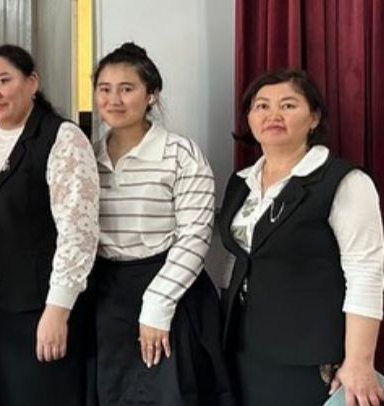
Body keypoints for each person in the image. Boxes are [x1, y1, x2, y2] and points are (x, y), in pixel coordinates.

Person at [220, 69, 384, 406]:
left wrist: (359, 361)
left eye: (288, 105)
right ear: (249, 118)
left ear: (314, 117)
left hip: (308, 356)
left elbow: (366, 273)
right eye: (262, 106)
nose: (273, 115)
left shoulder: (344, 181)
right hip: (242, 346)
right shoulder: (241, 183)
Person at [0, 44, 99, 406]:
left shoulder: (61, 137)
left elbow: (78, 231)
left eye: (3, 81)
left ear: (32, 82)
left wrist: (58, 309)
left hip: (38, 302)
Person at [91, 43, 231, 405]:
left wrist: (157, 306)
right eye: (105, 89)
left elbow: (194, 238)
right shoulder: (87, 155)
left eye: (127, 88)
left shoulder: (181, 154)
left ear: (151, 94)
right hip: (106, 294)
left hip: (171, 289)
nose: (114, 99)